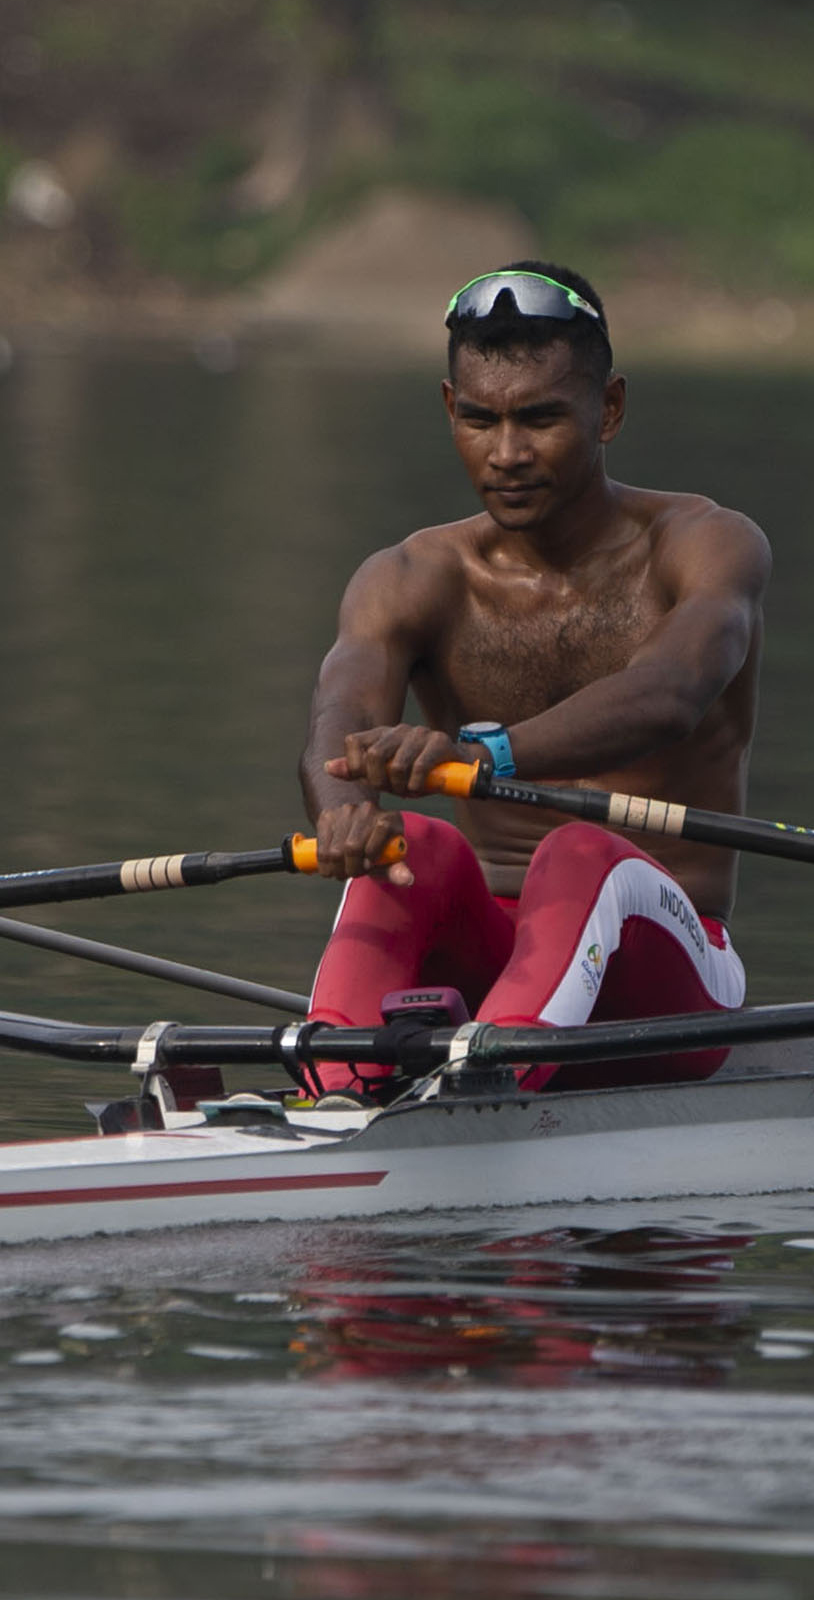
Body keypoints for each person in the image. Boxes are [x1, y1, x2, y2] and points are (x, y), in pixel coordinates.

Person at [300, 265, 769, 1092]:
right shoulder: (412, 575)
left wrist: (491, 755)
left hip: (670, 982)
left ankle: (481, 1085)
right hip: (496, 962)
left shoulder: (704, 545)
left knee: (581, 852)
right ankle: (334, 1088)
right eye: (480, 420)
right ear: (451, 410)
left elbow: (669, 693)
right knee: (412, 847)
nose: (507, 454)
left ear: (609, 410)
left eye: (541, 419)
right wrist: (346, 819)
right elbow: (338, 725)